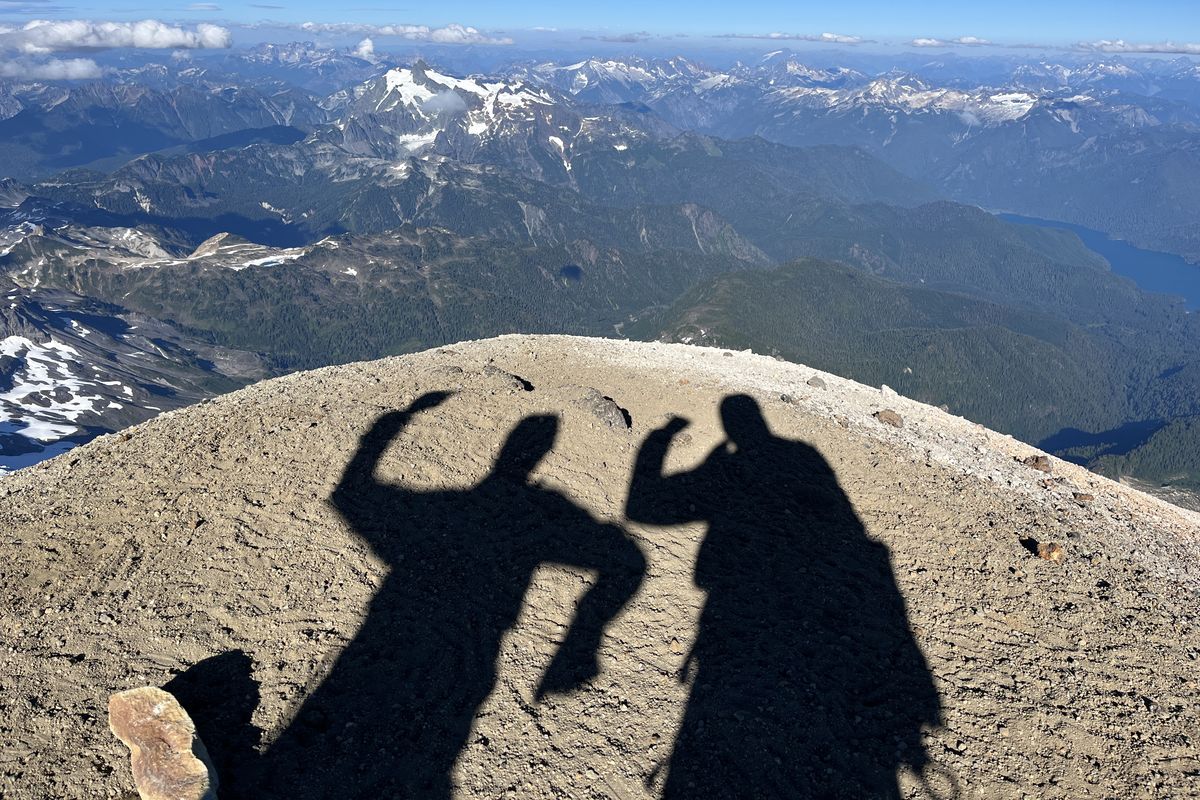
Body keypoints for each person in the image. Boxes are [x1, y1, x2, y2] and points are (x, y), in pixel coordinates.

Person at [247, 391, 646, 798]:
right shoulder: (545, 511)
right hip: (472, 654)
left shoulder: (435, 508)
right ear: (541, 456)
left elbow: (349, 493)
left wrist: (395, 424)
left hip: (379, 636)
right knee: (433, 750)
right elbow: (626, 559)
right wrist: (583, 638)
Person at [627, 394, 941, 799]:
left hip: (736, 616)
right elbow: (846, 527)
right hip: (815, 616)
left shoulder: (726, 469)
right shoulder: (803, 456)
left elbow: (642, 507)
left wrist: (661, 438)